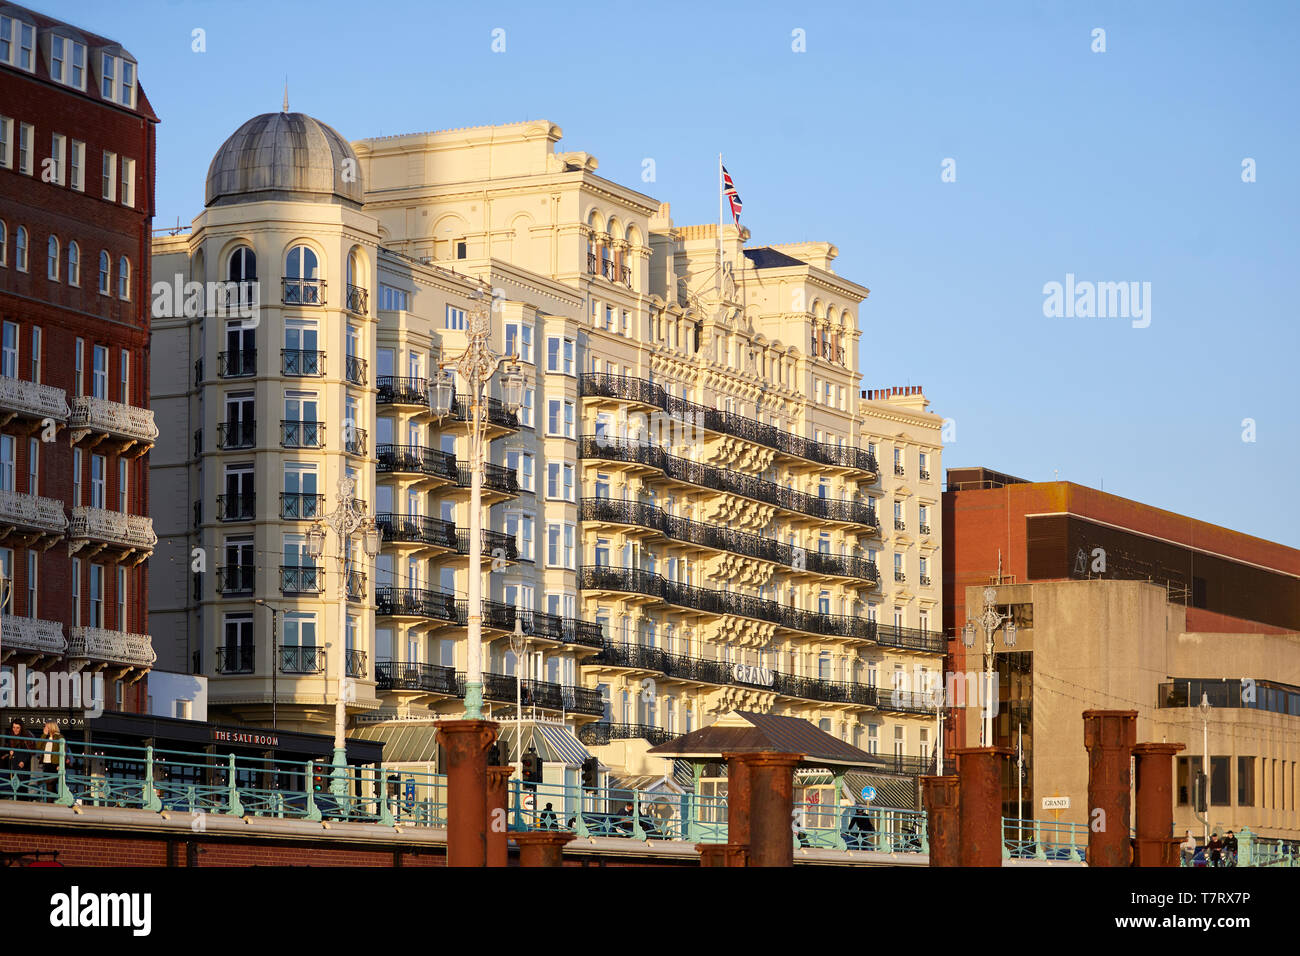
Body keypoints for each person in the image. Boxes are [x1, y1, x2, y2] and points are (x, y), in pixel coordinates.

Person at [2, 720, 32, 792]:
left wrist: (23, 762)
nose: (15, 729)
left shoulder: (26, 737)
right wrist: (8, 753)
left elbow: (29, 752)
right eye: (13, 727)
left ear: (21, 728)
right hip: (13, 764)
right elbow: (7, 750)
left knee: (22, 787)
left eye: (17, 728)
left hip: (22, 765)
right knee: (14, 787)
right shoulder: (10, 737)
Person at [38, 722, 62, 796]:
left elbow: (62, 751)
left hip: (55, 763)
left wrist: (60, 764)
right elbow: (38, 746)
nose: (44, 728)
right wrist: (44, 735)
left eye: (46, 727)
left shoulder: (59, 737)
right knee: (50, 785)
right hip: (46, 763)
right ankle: (52, 799)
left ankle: (51, 800)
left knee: (51, 783)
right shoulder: (45, 737)